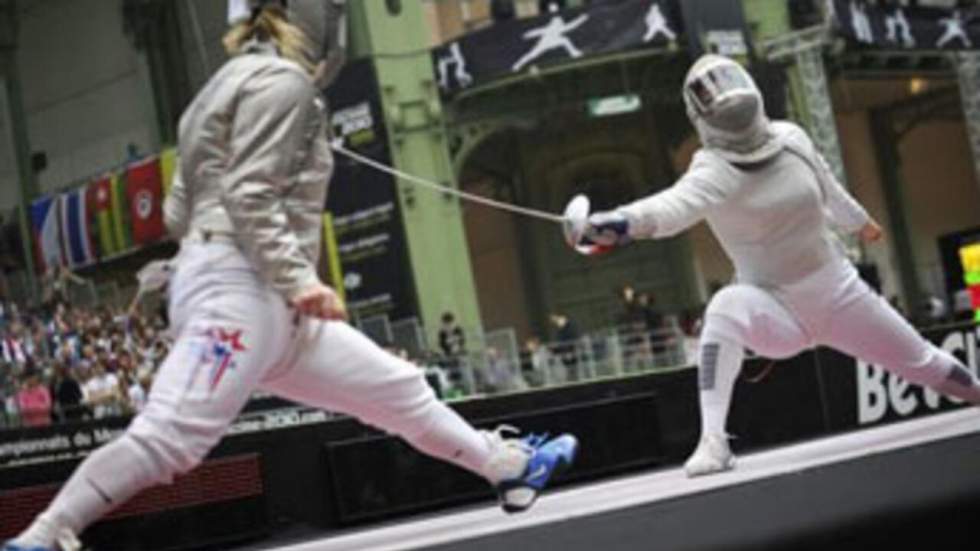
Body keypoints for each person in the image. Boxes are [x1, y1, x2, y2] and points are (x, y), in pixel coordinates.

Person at [3, 3, 576, 550]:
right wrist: (298, 278)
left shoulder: (217, 93)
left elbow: (179, 212)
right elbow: (249, 194)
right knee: (171, 437)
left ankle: (508, 467)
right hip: (242, 288)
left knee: (398, 391)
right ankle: (43, 535)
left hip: (264, 299)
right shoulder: (283, 85)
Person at [568, 53, 980, 478]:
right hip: (775, 309)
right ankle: (713, 440)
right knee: (725, 306)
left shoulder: (792, 138)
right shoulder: (713, 170)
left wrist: (860, 223)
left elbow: (828, 189)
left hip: (839, 293)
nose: (724, 98)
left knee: (925, 363)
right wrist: (612, 224)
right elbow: (667, 210)